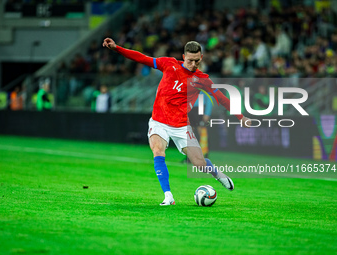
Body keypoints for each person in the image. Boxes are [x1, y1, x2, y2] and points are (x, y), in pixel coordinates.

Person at [103, 38, 251, 206]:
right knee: (158, 151)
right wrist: (117, 48)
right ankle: (168, 196)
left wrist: (241, 117)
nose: (193, 64)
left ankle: (217, 174)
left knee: (199, 163)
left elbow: (222, 99)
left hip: (181, 125)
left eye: (197, 61)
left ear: (201, 58)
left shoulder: (202, 79)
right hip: (159, 121)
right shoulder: (169, 64)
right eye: (190, 60)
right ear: (183, 57)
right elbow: (141, 58)